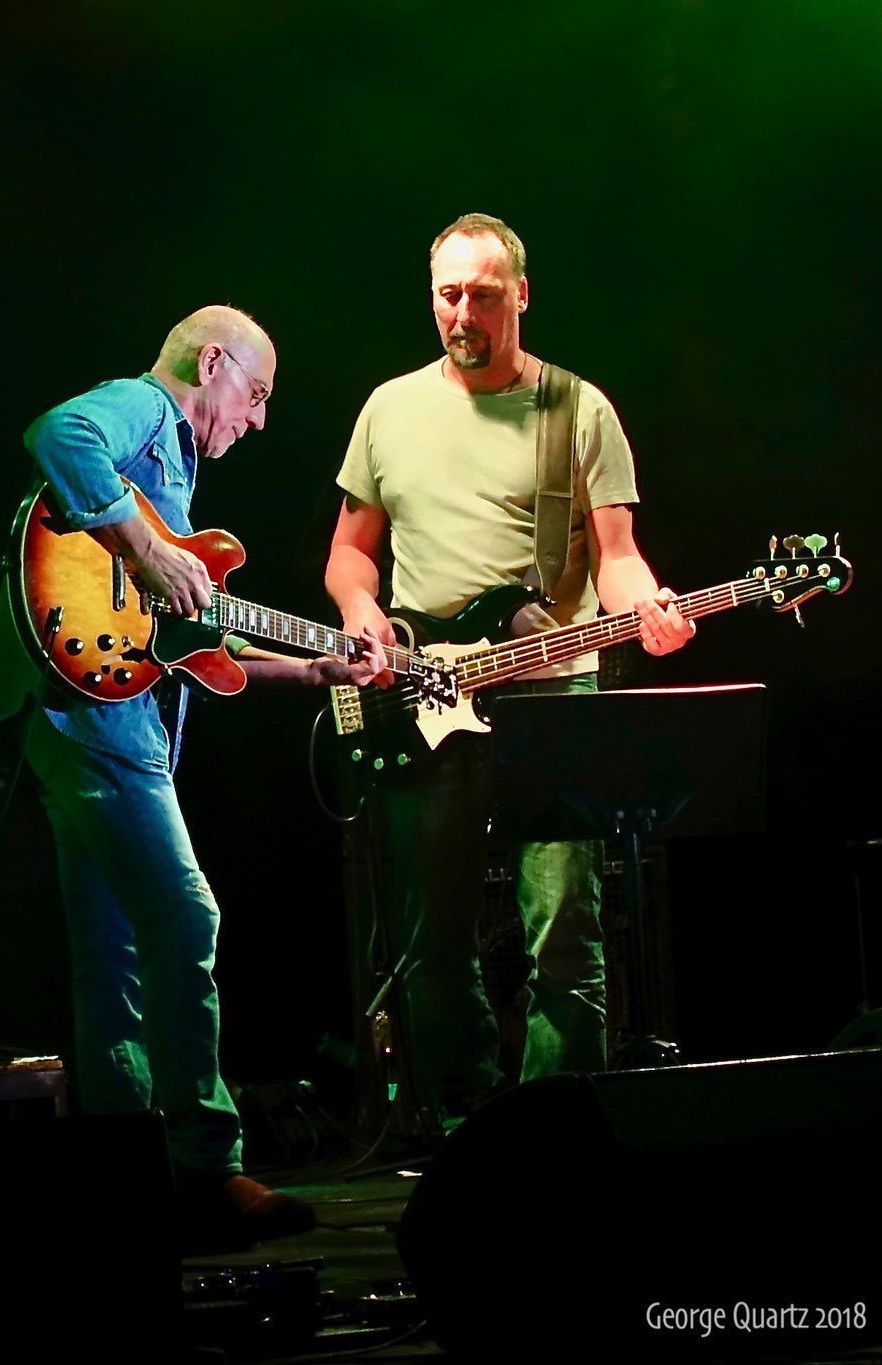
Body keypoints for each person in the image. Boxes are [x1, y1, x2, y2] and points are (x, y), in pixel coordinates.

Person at [0, 305, 384, 1249]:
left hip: (76, 708)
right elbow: (59, 432)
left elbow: (202, 647)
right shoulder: (148, 414)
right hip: (93, 706)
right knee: (187, 914)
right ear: (213, 363)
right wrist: (150, 550)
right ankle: (205, 1161)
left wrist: (317, 667)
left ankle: (133, 1174)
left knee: (111, 949)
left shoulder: (177, 485)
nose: (260, 419)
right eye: (258, 394)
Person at [324, 213, 695, 1128]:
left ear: (519, 296)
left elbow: (617, 556)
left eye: (484, 295)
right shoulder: (389, 407)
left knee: (565, 928)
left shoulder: (578, 408)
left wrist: (643, 606)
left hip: (551, 690)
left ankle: (558, 1128)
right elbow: (349, 553)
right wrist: (363, 613)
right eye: (449, 294)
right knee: (429, 939)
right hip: (424, 693)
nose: (464, 312)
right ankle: (470, 1127)